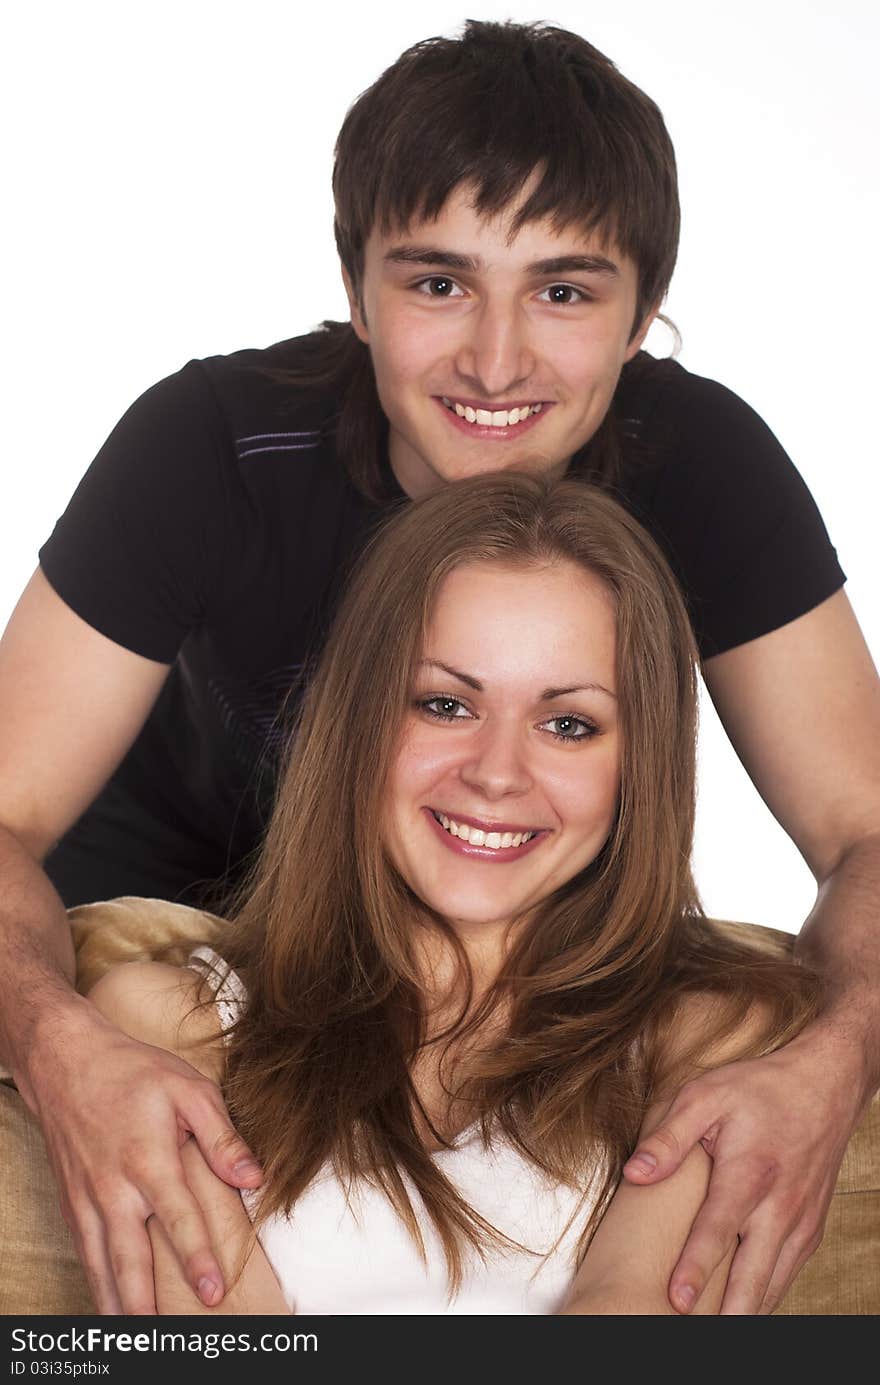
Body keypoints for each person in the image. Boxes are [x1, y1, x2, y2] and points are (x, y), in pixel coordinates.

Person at [0, 18, 877, 1316]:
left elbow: (867, 829)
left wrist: (838, 1055)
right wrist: (60, 1040)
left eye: (567, 291)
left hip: (516, 969)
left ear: (644, 316)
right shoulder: (209, 448)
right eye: (439, 282)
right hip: (193, 940)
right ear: (357, 289)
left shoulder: (705, 466)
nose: (497, 360)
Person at [88, 472, 821, 1314]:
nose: (497, 774)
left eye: (568, 723)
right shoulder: (160, 1022)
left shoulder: (717, 1036)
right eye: (444, 703)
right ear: (357, 721)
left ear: (639, 769)